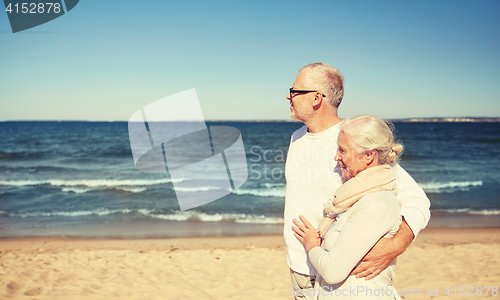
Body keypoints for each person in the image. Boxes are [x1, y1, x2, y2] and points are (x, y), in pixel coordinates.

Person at [284, 63, 430, 300]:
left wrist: (396, 245)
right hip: (298, 269)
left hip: (334, 278)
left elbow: (417, 200)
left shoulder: (352, 140)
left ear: (316, 98)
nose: (288, 96)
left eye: (294, 90)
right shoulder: (297, 137)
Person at [293, 115, 403, 299]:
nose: (336, 157)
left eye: (342, 150)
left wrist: (312, 245)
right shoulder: (355, 194)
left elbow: (332, 271)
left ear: (369, 155)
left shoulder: (377, 203)